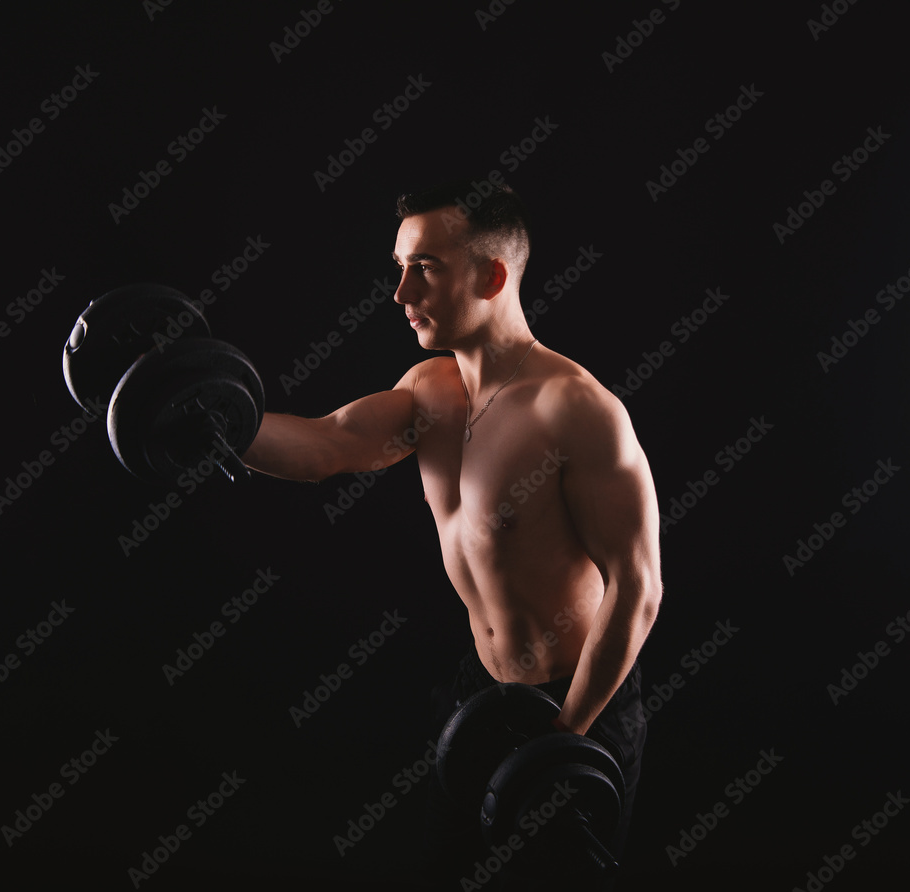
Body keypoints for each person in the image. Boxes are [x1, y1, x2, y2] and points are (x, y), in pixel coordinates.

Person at [242, 179, 662, 886]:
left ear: (492, 275)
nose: (401, 294)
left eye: (424, 270)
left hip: (578, 702)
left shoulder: (577, 409)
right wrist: (212, 415)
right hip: (482, 694)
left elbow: (638, 588)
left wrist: (565, 736)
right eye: (399, 270)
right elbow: (324, 446)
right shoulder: (431, 393)